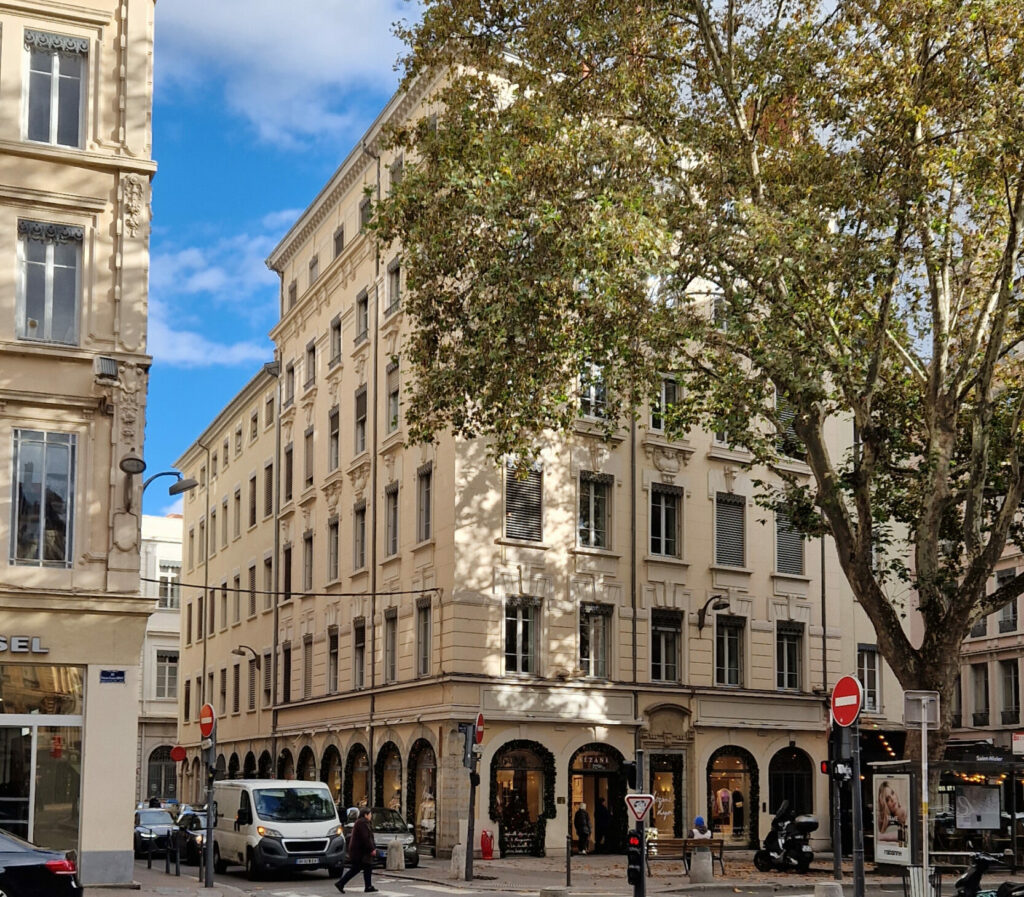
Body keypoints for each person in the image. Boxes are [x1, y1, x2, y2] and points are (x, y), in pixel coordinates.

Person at [336, 806, 378, 893]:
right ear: (365, 815)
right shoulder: (362, 823)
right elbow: (366, 838)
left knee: (367, 867)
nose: (371, 816)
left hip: (360, 851)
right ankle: (341, 883)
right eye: (370, 814)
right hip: (360, 852)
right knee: (357, 868)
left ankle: (368, 886)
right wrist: (371, 849)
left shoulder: (362, 822)